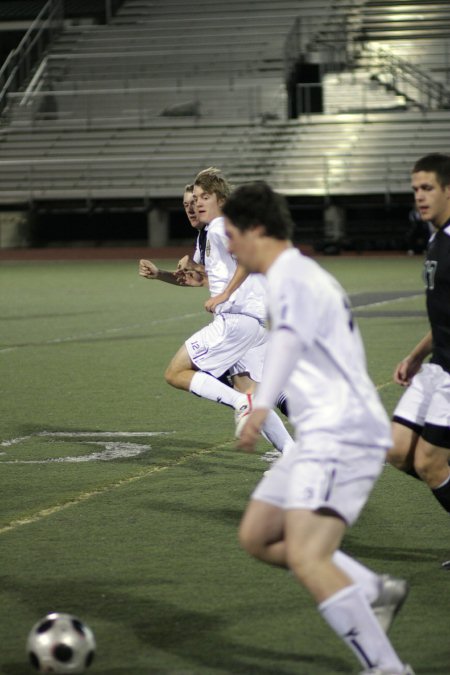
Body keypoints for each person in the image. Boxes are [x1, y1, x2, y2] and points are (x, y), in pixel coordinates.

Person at [222, 181, 413, 675]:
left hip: (342, 433)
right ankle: (372, 590)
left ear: (257, 229)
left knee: (308, 556)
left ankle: (388, 669)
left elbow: (285, 340)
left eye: (232, 235)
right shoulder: (293, 274)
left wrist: (261, 407)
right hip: (320, 434)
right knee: (258, 535)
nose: (229, 247)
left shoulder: (294, 277)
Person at [141, 168, 292, 454]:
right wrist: (164, 274)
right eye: (191, 201)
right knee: (252, 395)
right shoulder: (210, 233)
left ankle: (246, 405)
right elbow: (203, 277)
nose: (195, 205)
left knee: (176, 372)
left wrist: (224, 293)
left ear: (220, 199)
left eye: (202, 198)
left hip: (237, 320)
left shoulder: (221, 227)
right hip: (251, 324)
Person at [388, 154, 450, 521]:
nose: (419, 197)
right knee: (397, 450)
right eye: (415, 190)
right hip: (437, 366)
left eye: (427, 188)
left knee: (430, 462)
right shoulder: (436, 236)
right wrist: (414, 357)